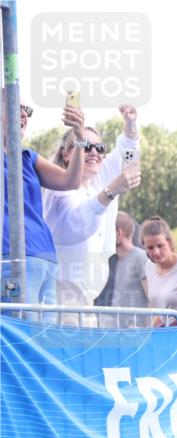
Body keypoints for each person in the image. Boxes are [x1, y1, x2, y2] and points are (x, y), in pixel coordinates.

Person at [42, 104, 141, 307]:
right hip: (61, 296)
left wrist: (130, 125)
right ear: (66, 154)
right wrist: (110, 192)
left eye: (100, 147)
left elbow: (129, 156)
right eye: (86, 146)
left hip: (88, 296)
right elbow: (76, 223)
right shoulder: (57, 189)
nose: (94, 152)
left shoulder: (97, 180)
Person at [2, 101, 86, 314]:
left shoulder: (27, 157)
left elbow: (71, 181)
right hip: (11, 257)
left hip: (45, 257)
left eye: (26, 110)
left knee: (42, 336)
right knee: (20, 336)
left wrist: (80, 136)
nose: (23, 113)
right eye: (13, 104)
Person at [140, 216, 177, 324]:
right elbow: (161, 310)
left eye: (160, 246)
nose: (156, 252)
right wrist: (147, 332)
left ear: (169, 243)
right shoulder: (149, 266)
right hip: (167, 330)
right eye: (150, 248)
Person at [109, 214, 148, 310]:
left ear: (118, 233)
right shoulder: (116, 260)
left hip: (136, 324)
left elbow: (152, 298)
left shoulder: (140, 258)